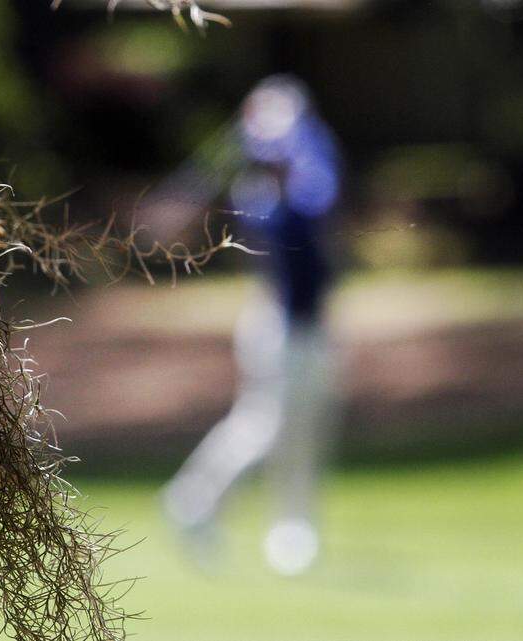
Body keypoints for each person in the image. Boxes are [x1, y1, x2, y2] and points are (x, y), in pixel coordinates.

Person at [162, 75, 342, 576]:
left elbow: (321, 194)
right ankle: (193, 501)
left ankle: (293, 532)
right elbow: (298, 219)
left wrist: (289, 141)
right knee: (266, 426)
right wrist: (273, 153)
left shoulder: (308, 164)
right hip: (279, 325)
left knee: (304, 432)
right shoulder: (257, 192)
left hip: (309, 323)